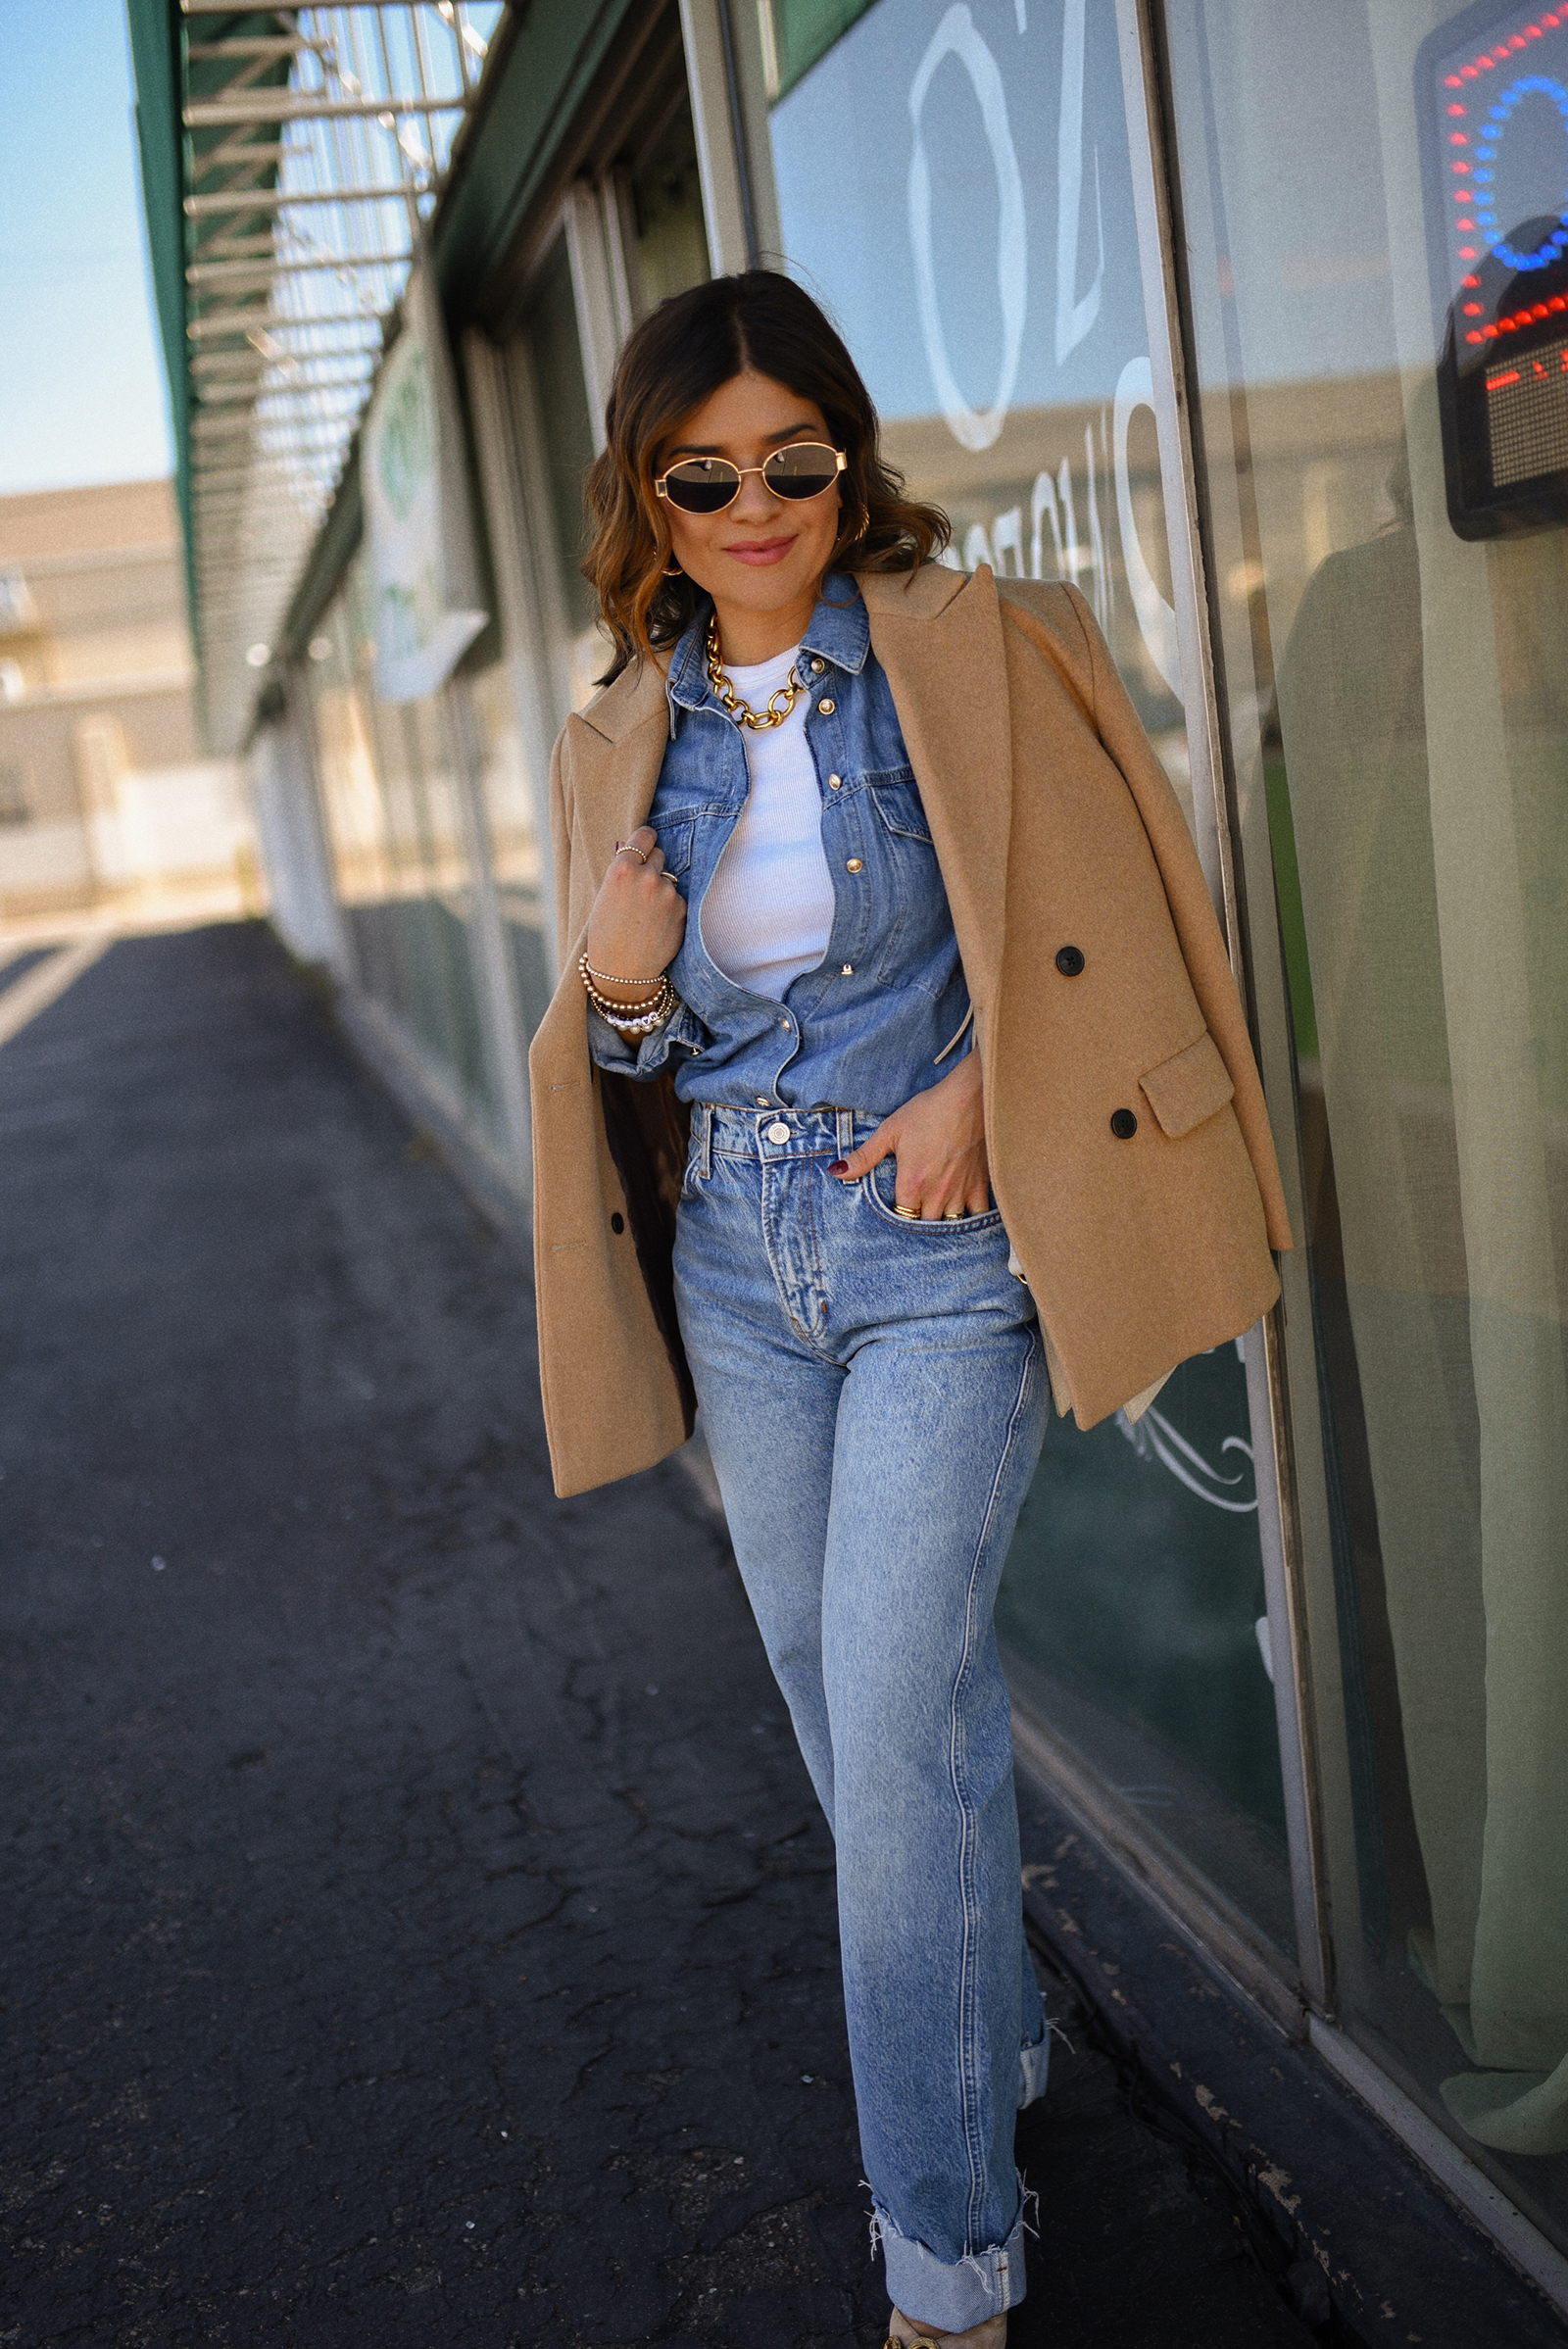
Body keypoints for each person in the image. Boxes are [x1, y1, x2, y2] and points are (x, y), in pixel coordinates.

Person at [527, 270, 1291, 2347]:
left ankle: (944, 2253)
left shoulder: (981, 639)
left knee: (893, 1719)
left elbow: (1103, 914)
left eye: (798, 457)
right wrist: (610, 978)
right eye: (710, 472)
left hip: (943, 1246)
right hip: (739, 1259)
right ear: (650, 495)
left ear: (846, 459)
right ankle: (995, 2031)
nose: (760, 500)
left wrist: (983, 1089)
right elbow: (619, 1057)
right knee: (845, 1697)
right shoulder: (619, 721)